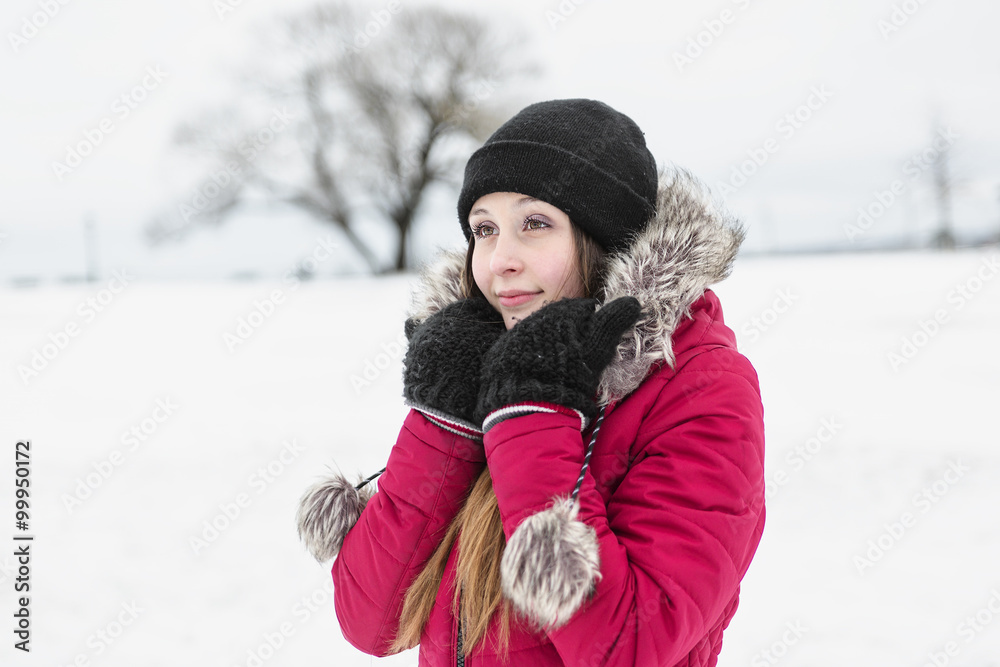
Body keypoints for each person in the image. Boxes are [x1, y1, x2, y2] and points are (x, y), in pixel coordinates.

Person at [297, 98, 766, 666]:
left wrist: (536, 418)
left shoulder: (698, 386)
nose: (500, 260)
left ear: (604, 238)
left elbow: (630, 647)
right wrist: (445, 416)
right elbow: (373, 622)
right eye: (485, 229)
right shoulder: (482, 360)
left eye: (535, 224)